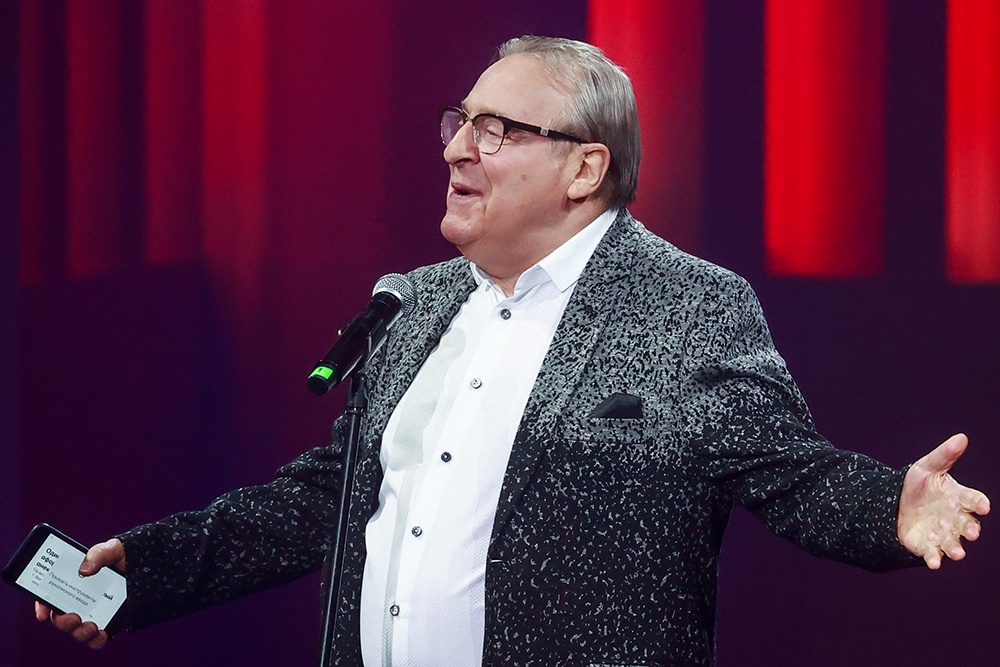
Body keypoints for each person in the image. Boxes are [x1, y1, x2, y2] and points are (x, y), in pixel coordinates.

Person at [39, 36, 989, 667]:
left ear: (585, 167)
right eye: (459, 123)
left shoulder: (684, 304)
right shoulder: (416, 302)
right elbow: (329, 498)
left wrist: (889, 508)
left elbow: (786, 468)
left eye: (495, 131)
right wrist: (146, 573)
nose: (458, 149)